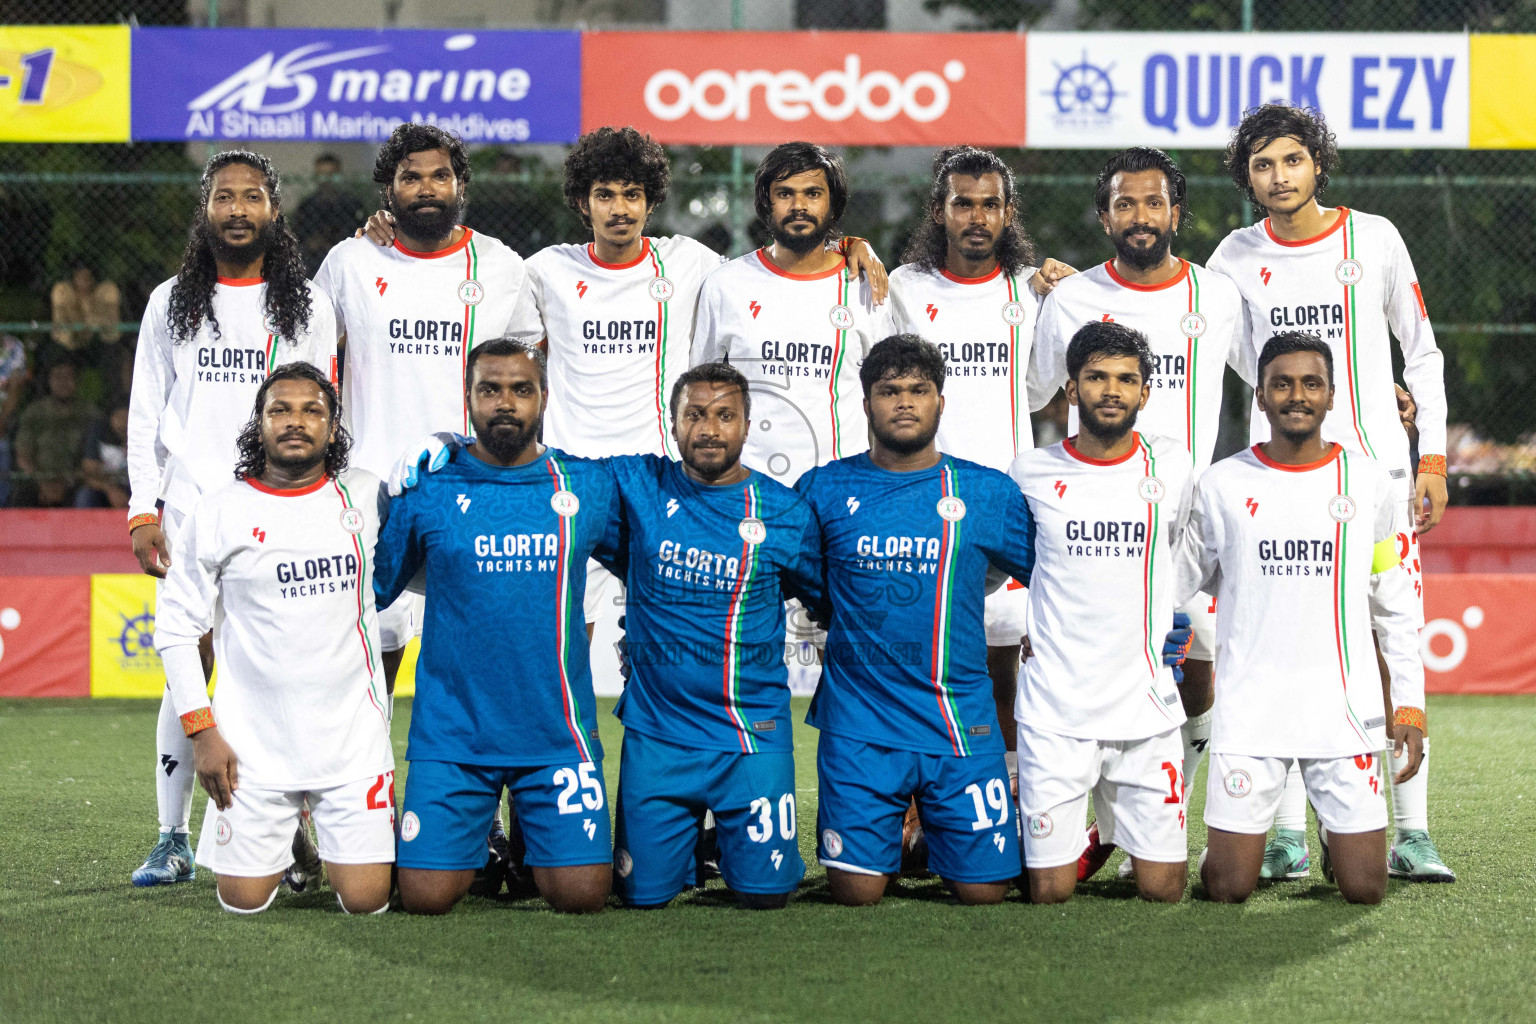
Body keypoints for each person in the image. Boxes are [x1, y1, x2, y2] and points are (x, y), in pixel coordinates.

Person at [1209, 104, 1453, 882]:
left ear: (1318, 162)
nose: (1278, 177)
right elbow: (1229, 356)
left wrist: (1432, 458)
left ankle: (1411, 830)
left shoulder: (1373, 237)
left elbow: (1421, 350)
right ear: (1246, 177)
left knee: (1391, 640)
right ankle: (1280, 833)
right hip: (1276, 480)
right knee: (1276, 641)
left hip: (1374, 478)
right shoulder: (1232, 257)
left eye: (1291, 160)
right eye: (1261, 165)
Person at [1030, 147, 1246, 879]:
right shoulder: (1069, 299)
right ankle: (1077, 823)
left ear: (1176, 214)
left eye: (1154, 204)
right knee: (1091, 666)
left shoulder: (1218, 296)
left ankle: (1161, 820)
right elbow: (1031, 394)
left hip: (1184, 518)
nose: (1141, 217)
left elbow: (1275, 368)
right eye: (1125, 204)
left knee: (1200, 653)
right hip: (1090, 513)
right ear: (1104, 216)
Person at [125, 149, 337, 888]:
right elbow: (145, 413)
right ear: (205, 209)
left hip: (277, 513)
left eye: (252, 197)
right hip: (188, 515)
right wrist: (141, 510)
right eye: (224, 197)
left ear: (273, 211)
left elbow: (323, 412)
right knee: (192, 666)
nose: (238, 209)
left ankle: (297, 835)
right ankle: (169, 838)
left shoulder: (307, 304)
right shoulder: (169, 301)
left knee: (285, 668)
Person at [1175, 332, 1426, 904]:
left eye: (1311, 383)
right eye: (1281, 384)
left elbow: (1393, 602)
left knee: (1366, 889)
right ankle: (1234, 842)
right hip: (1250, 714)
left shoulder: (1369, 486)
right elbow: (1170, 582)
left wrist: (1406, 702)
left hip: (1342, 714)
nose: (1297, 395)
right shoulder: (1221, 486)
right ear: (1259, 397)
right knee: (1227, 887)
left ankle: (1336, 834)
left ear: (1332, 396)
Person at [373, 338, 617, 916]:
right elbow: (369, 589)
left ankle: (531, 840)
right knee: (425, 899)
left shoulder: (586, 485)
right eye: (489, 389)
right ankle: (479, 846)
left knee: (582, 898)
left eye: (520, 389)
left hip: (558, 737)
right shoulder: (428, 488)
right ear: (468, 399)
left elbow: (652, 549)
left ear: (544, 398)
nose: (505, 402)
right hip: (454, 735)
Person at [794, 335, 1036, 906]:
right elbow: (798, 582)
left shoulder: (987, 492)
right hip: (860, 724)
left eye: (919, 390)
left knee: (984, 894)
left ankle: (926, 838)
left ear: (941, 402)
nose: (904, 402)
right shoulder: (823, 489)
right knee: (857, 894)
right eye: (889, 391)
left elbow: (1060, 575)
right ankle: (901, 839)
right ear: (866, 404)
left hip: (958, 719)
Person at [154, 363, 394, 915]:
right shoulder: (221, 509)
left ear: (333, 427)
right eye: (279, 410)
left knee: (366, 902)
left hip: (351, 742)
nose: (296, 421)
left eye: (313, 410)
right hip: (250, 749)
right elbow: (176, 628)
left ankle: (332, 842)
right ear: (257, 424)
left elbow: (428, 562)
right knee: (241, 902)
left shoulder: (366, 497)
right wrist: (202, 731)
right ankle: (294, 847)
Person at [314, 122, 543, 692]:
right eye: (409, 177)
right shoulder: (350, 261)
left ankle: (483, 778)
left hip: (472, 494)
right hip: (370, 495)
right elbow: (311, 362)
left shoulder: (502, 268)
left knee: (480, 662)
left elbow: (526, 380)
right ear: (387, 190)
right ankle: (362, 780)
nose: (425, 188)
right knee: (366, 671)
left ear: (460, 185)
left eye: (439, 175)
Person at [887, 145, 1075, 824]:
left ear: (1007, 212)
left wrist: (1073, 292)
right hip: (922, 515)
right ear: (939, 210)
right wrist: (851, 243)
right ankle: (909, 817)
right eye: (961, 202)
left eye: (989, 203)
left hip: (1006, 515)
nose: (975, 216)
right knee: (920, 678)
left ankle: (1016, 816)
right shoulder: (901, 288)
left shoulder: (1032, 294)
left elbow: (1049, 386)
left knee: (1007, 681)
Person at [606, 362, 825, 909]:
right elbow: (548, 474)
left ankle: (721, 839)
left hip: (748, 735)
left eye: (725, 416)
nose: (709, 429)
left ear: (747, 425)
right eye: (695, 415)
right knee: (640, 898)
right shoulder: (637, 485)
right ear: (672, 422)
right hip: (659, 737)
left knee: (768, 895)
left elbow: (828, 603)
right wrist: (453, 444)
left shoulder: (786, 513)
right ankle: (692, 841)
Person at [1009, 321, 1195, 904]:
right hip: (1056, 712)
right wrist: (1030, 627)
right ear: (1071, 390)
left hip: (1146, 709)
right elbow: (1012, 567)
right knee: (1050, 893)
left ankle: (1113, 829)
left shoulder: (1174, 466)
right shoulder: (1029, 472)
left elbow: (1183, 555)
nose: (1111, 390)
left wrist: (1173, 619)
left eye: (1125, 380)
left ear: (1145, 392)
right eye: (1096, 378)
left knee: (1164, 890)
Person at [692, 142, 895, 487]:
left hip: (841, 489)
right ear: (766, 203)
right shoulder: (726, 284)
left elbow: (887, 394)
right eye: (785, 193)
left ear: (833, 204)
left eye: (813, 193)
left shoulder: (865, 287)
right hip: (749, 486)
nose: (799, 206)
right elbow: (699, 388)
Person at [13, 361, 98, 507]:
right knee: (19, 497)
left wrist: (69, 482)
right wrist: (42, 483)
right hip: (38, 481)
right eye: (58, 377)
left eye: (68, 377)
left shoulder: (90, 414)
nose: (63, 382)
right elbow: (23, 456)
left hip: (76, 482)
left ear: (76, 382)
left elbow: (93, 459)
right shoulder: (35, 412)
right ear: (49, 381)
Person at [293, 153, 367, 275]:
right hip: (314, 267)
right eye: (322, 176)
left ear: (339, 175)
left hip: (346, 264)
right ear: (316, 176)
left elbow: (361, 235)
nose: (327, 181)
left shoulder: (352, 205)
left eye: (332, 176)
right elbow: (299, 238)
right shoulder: (307, 207)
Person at [50, 263, 122, 350]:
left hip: (100, 337)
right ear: (74, 278)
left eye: (86, 277)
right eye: (80, 276)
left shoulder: (102, 292)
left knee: (110, 290)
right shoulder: (65, 292)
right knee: (60, 290)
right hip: (72, 336)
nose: (83, 280)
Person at [75, 403, 130, 508]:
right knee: (85, 497)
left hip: (138, 489)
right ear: (111, 419)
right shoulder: (99, 432)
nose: (123, 423)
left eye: (127, 418)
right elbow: (88, 473)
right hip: (106, 488)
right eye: (119, 418)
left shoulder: (143, 436)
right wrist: (110, 490)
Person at [0, 332, 27, 507]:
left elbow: (16, 386)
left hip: (5, 418)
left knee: (2, 446)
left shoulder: (14, 346)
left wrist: (2, 419)